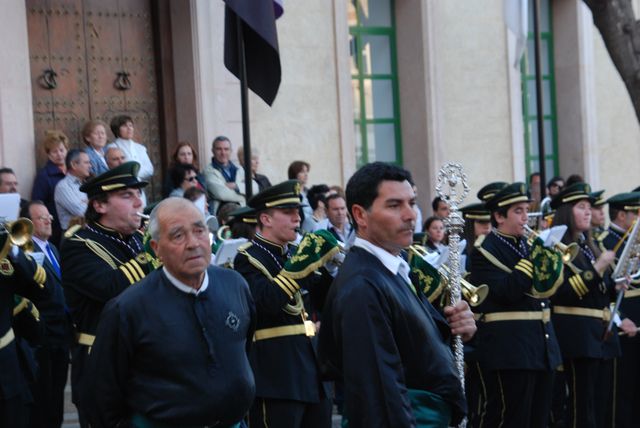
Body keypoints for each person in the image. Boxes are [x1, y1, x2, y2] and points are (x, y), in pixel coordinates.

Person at [318, 162, 475, 427]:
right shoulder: (362, 286)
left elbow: (411, 353)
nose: (410, 215)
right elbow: (377, 397)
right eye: (394, 205)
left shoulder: (393, 269)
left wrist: (453, 329)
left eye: (411, 203)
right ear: (360, 215)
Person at [86, 198, 256, 427]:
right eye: (178, 235)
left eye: (199, 231)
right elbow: (102, 399)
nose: (193, 243)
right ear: (157, 249)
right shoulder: (127, 309)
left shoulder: (235, 285)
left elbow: (242, 351)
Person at [233, 180, 338, 428]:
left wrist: (331, 268)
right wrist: (298, 269)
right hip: (278, 374)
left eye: (298, 212)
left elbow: (327, 301)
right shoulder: (246, 258)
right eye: (288, 213)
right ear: (266, 219)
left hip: (314, 371)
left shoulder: (294, 253)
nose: (298, 219)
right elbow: (266, 303)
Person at [61, 161, 151, 426]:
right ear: (99, 206)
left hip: (144, 358)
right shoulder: (79, 245)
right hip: (100, 362)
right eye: (127, 196)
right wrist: (154, 253)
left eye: (138, 194)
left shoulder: (135, 239)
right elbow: (112, 289)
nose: (139, 203)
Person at [469, 182, 564, 428]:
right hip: (510, 349)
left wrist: (549, 260)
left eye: (526, 210)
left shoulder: (526, 244)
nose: (526, 218)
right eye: (518, 211)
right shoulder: (485, 250)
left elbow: (546, 292)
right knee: (511, 418)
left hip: (540, 346)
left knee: (540, 419)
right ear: (499, 216)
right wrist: (533, 259)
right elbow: (504, 292)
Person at [550, 183, 629, 428]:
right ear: (566, 212)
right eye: (581, 207)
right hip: (576, 334)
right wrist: (598, 269)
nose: (587, 212)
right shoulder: (556, 247)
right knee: (580, 407)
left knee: (599, 403)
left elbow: (598, 291)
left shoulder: (589, 245)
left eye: (588, 207)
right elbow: (562, 293)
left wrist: (614, 286)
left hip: (600, 334)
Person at [21, 200, 71, 428]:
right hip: (43, 334)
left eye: (49, 215)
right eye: (42, 217)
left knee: (58, 389)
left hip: (61, 332)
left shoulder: (52, 248)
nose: (49, 219)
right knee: (45, 393)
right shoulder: (25, 251)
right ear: (29, 224)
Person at [597, 191, 640, 428]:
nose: (638, 217)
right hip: (621, 326)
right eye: (635, 212)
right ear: (622, 215)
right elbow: (605, 290)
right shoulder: (604, 242)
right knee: (622, 393)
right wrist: (620, 319)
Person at [31, 130, 69, 245]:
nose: (59, 154)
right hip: (55, 227)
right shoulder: (44, 176)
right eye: (54, 152)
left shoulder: (73, 171)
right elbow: (37, 202)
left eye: (62, 150)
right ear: (48, 154)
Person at [108, 115, 154, 205]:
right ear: (117, 129)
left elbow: (149, 169)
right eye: (125, 126)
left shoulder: (140, 148)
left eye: (130, 125)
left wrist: (133, 172)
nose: (129, 128)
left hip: (138, 188)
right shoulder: (112, 148)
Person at [203, 136, 246, 213]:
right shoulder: (208, 171)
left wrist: (236, 186)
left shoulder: (239, 169)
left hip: (242, 210)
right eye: (219, 149)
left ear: (231, 151)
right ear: (213, 151)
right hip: (221, 214)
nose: (223, 153)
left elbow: (254, 187)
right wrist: (245, 195)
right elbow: (222, 194)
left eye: (226, 149)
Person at [54, 149, 92, 230]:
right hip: (72, 235)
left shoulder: (86, 183)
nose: (90, 166)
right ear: (74, 165)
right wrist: (92, 202)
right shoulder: (63, 187)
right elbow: (82, 212)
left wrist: (89, 202)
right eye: (86, 163)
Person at [288, 161, 314, 232]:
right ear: (294, 174)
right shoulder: (291, 194)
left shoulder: (310, 193)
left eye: (306, 172)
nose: (306, 175)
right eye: (302, 172)